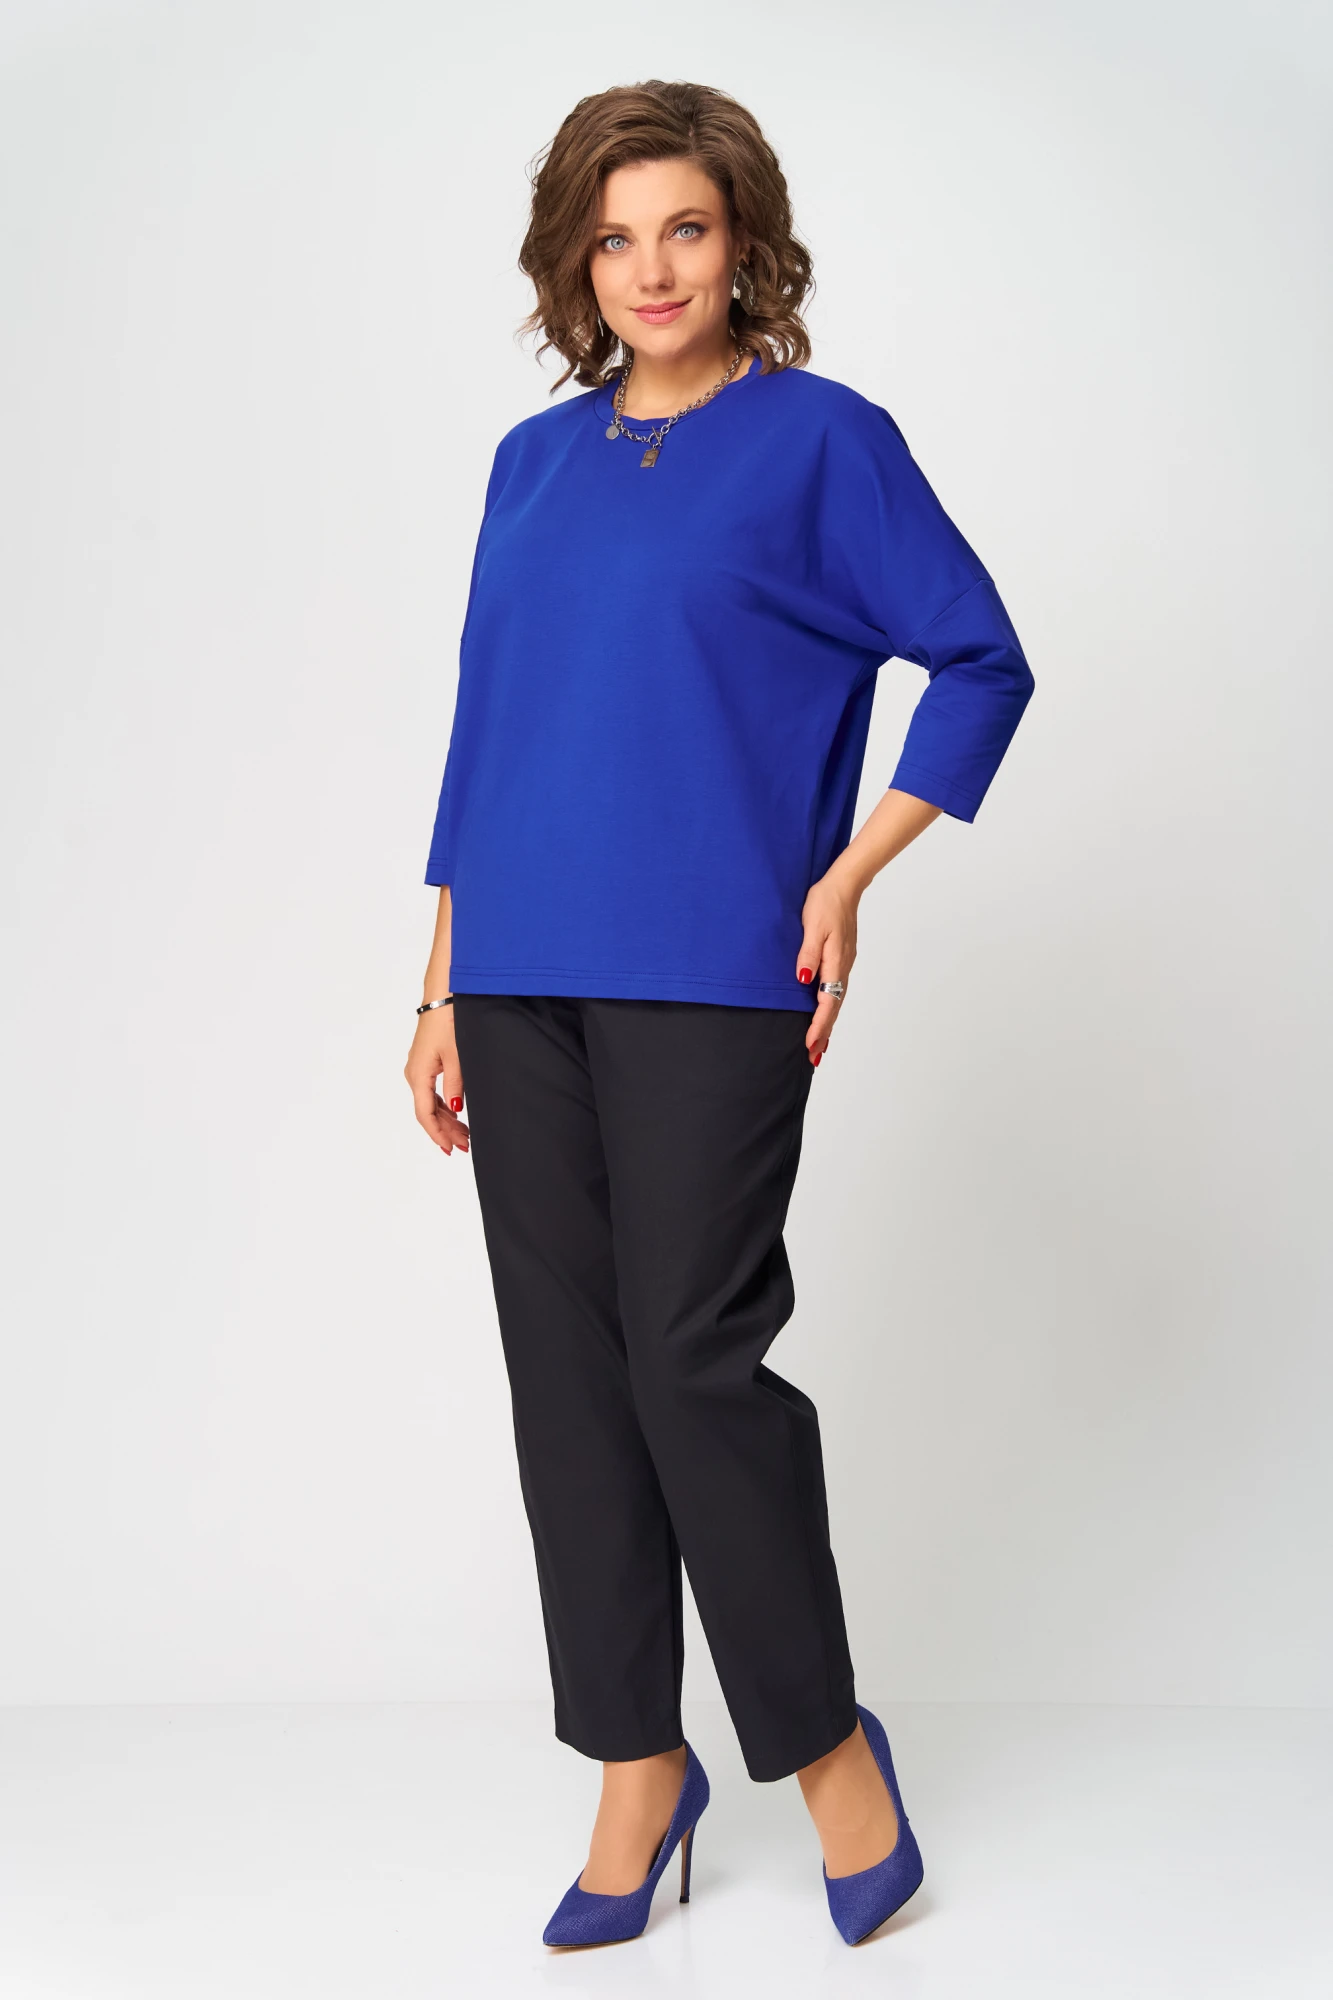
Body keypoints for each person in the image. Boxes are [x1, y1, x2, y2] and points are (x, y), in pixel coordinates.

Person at [405, 79, 1034, 1949]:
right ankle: (635, 1765)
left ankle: (827, 1751)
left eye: (684, 227)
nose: (652, 268)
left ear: (742, 239)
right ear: (574, 263)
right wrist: (438, 979)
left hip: (714, 964)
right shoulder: (532, 462)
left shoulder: (824, 442)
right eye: (614, 238)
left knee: (693, 1361)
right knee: (568, 1376)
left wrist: (850, 875)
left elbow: (981, 660)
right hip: (516, 969)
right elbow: (487, 726)